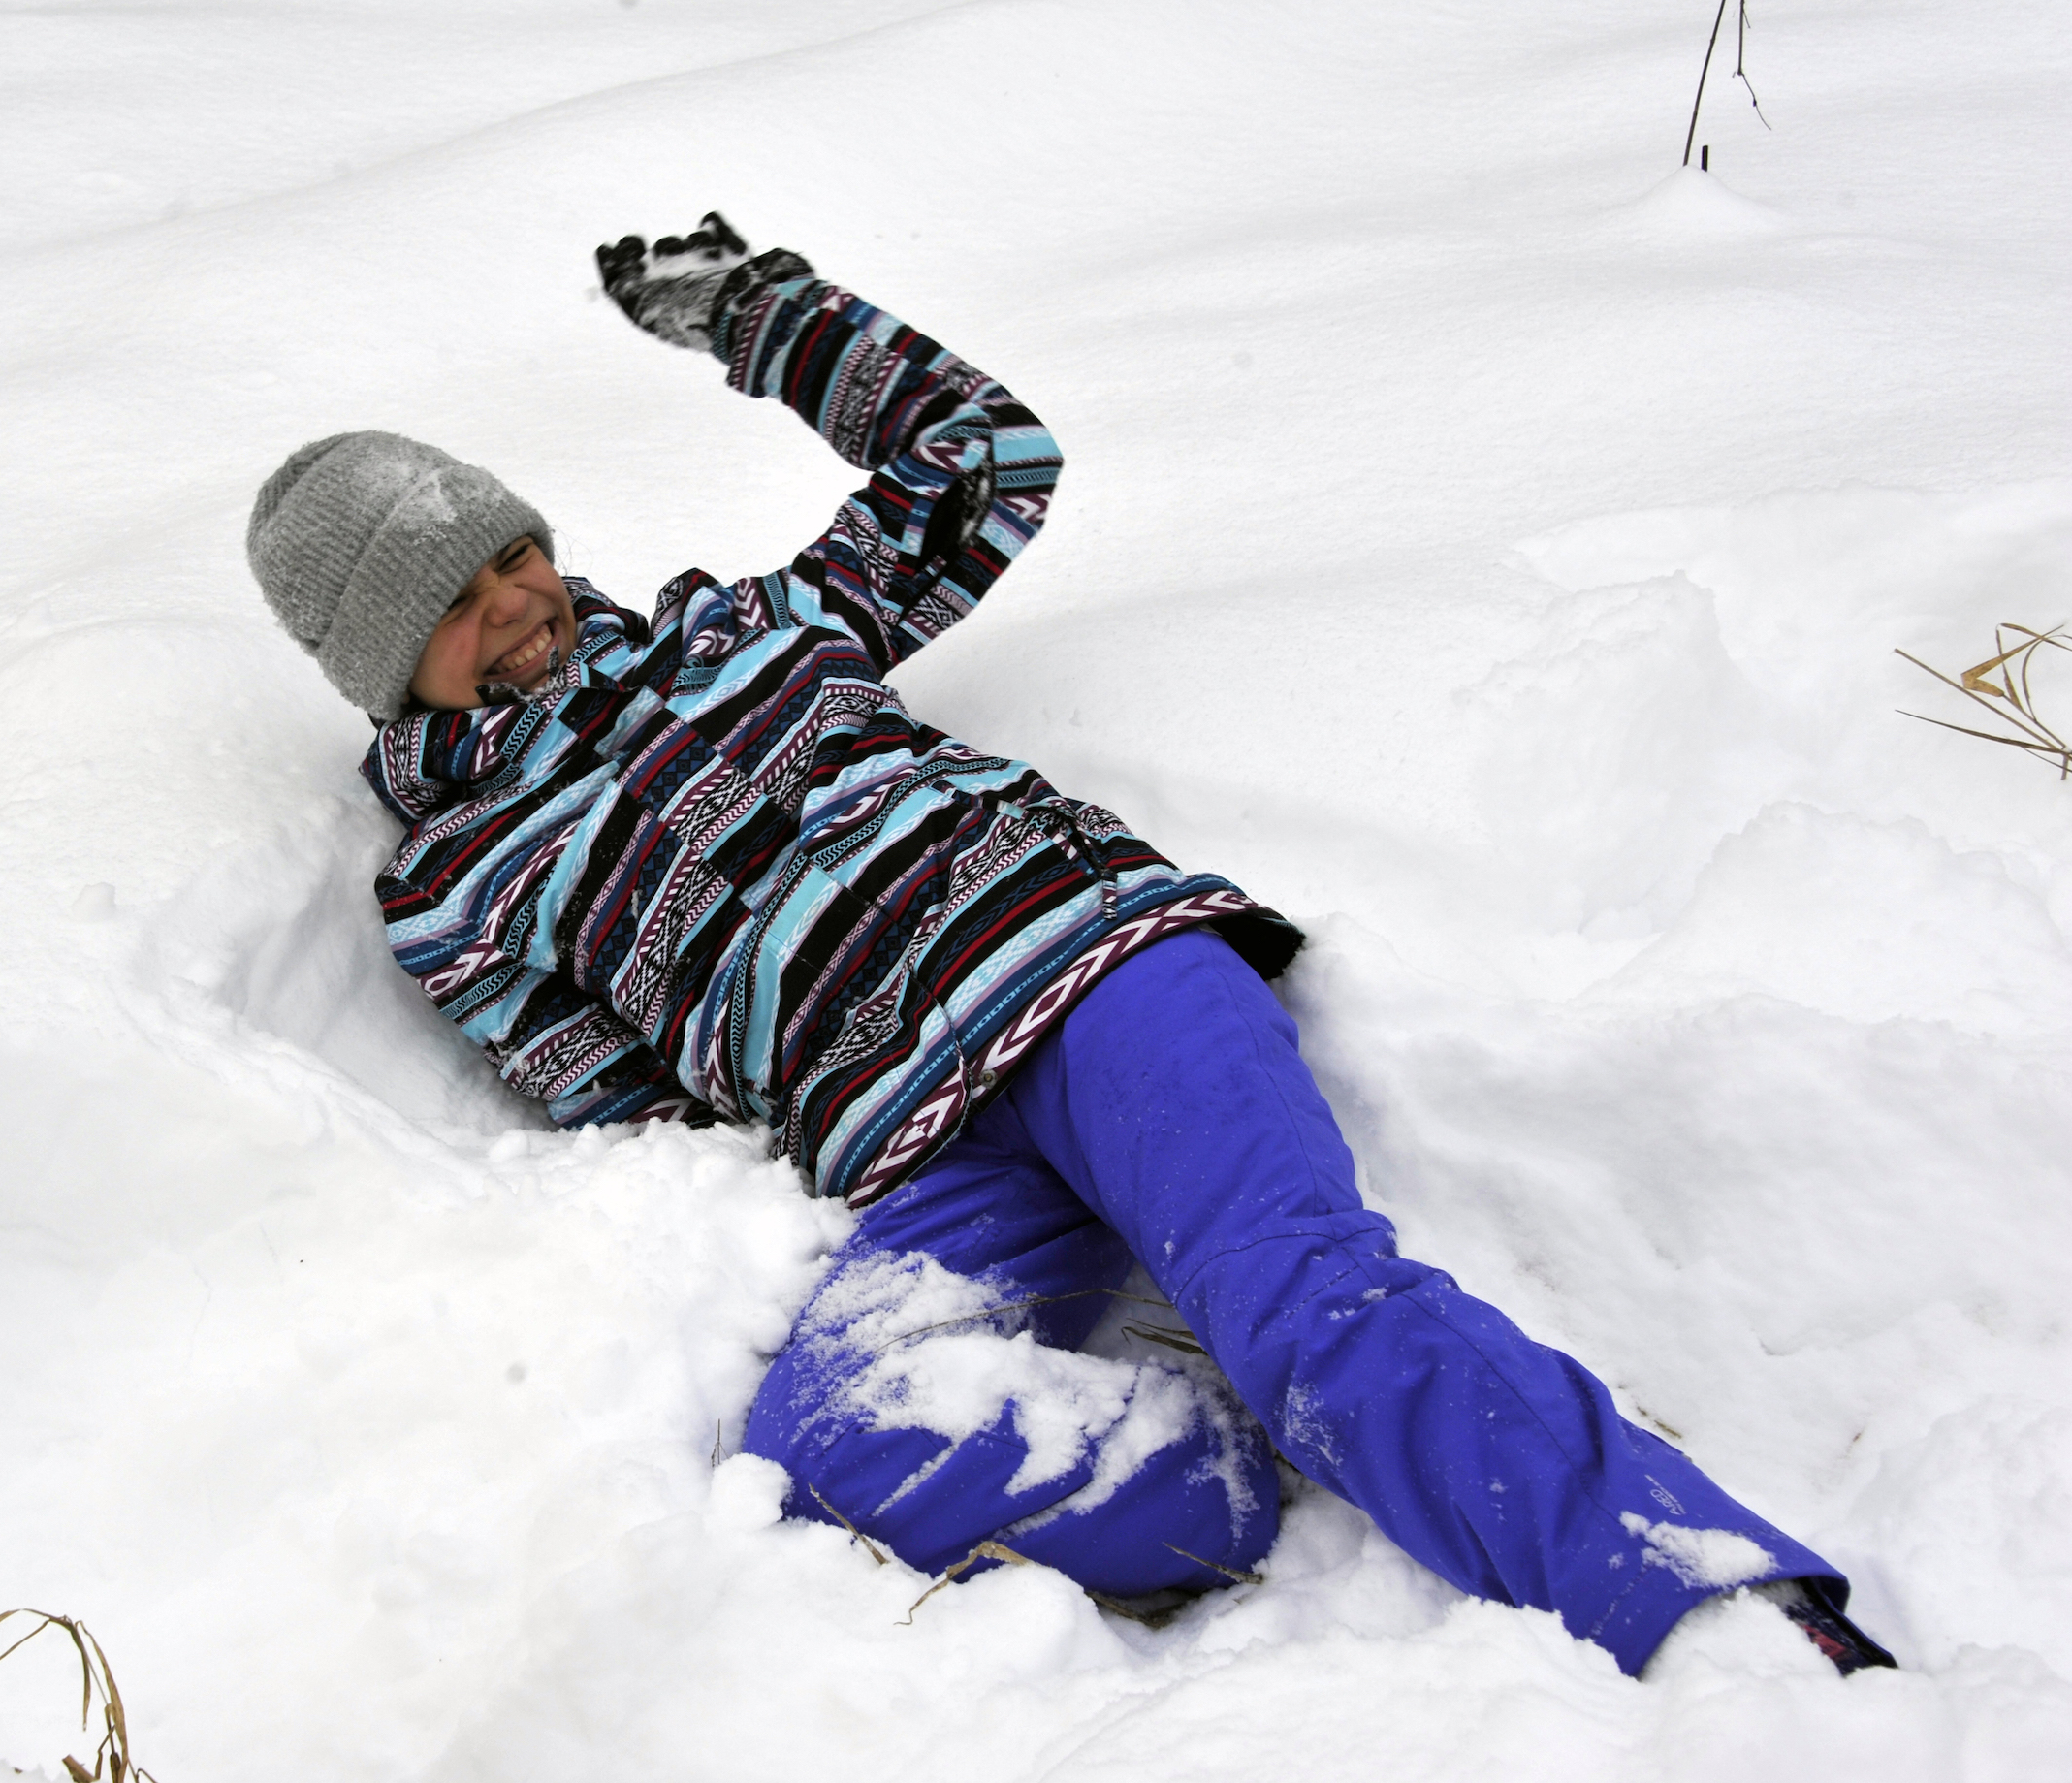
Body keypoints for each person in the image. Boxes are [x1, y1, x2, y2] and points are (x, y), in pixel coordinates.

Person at [242, 214, 1895, 1678]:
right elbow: (634, 1119)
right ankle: (1240, 1472)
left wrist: (759, 314)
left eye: (514, 549)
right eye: (455, 599)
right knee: (839, 1443)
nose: (519, 598)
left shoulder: (748, 631)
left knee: (1310, 1306)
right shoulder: (452, 896)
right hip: (922, 1152)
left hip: (1095, 979)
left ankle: (1717, 1609)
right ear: (386, 660)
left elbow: (986, 458)